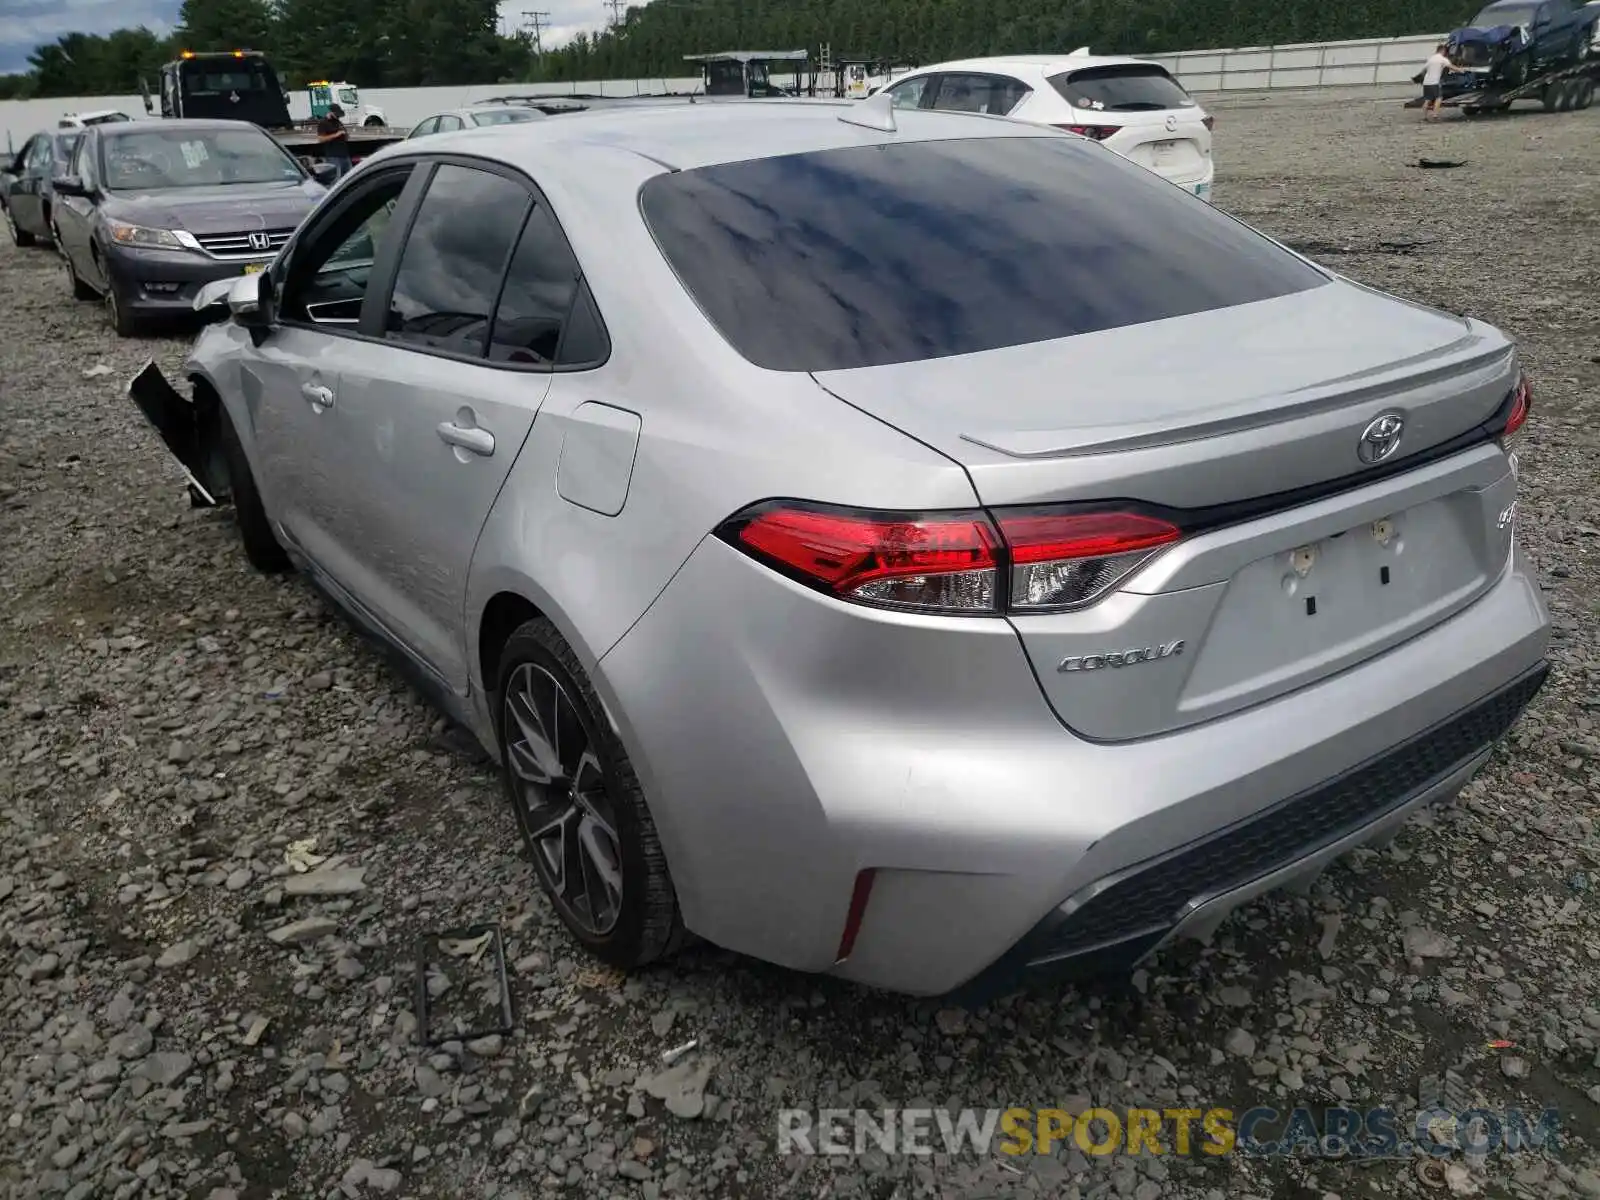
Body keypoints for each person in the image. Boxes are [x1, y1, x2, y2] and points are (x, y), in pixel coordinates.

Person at [316, 102, 352, 178]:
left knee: (349, 177)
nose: (338, 116)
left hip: (344, 155)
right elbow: (321, 139)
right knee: (336, 178)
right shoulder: (323, 123)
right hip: (334, 156)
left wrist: (345, 135)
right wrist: (336, 135)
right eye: (336, 114)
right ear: (330, 112)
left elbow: (345, 136)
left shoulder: (338, 122)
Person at [1421, 44, 1457, 120]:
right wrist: (1461, 70)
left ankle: (1424, 117)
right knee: (1439, 98)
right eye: (1445, 51)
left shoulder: (1431, 58)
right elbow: (1451, 67)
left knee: (1427, 100)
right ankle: (1435, 115)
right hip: (1435, 82)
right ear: (1443, 50)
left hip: (1426, 82)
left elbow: (1424, 70)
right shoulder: (1442, 59)